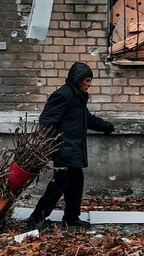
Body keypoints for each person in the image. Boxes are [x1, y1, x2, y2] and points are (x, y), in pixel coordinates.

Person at [27, 62, 114, 229]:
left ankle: (71, 218)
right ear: (77, 79)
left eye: (90, 81)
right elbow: (46, 121)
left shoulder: (77, 96)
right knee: (59, 185)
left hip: (73, 150)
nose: (89, 84)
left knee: (75, 185)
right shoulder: (63, 95)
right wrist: (53, 145)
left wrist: (105, 126)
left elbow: (86, 118)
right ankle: (36, 218)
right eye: (86, 81)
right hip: (64, 150)